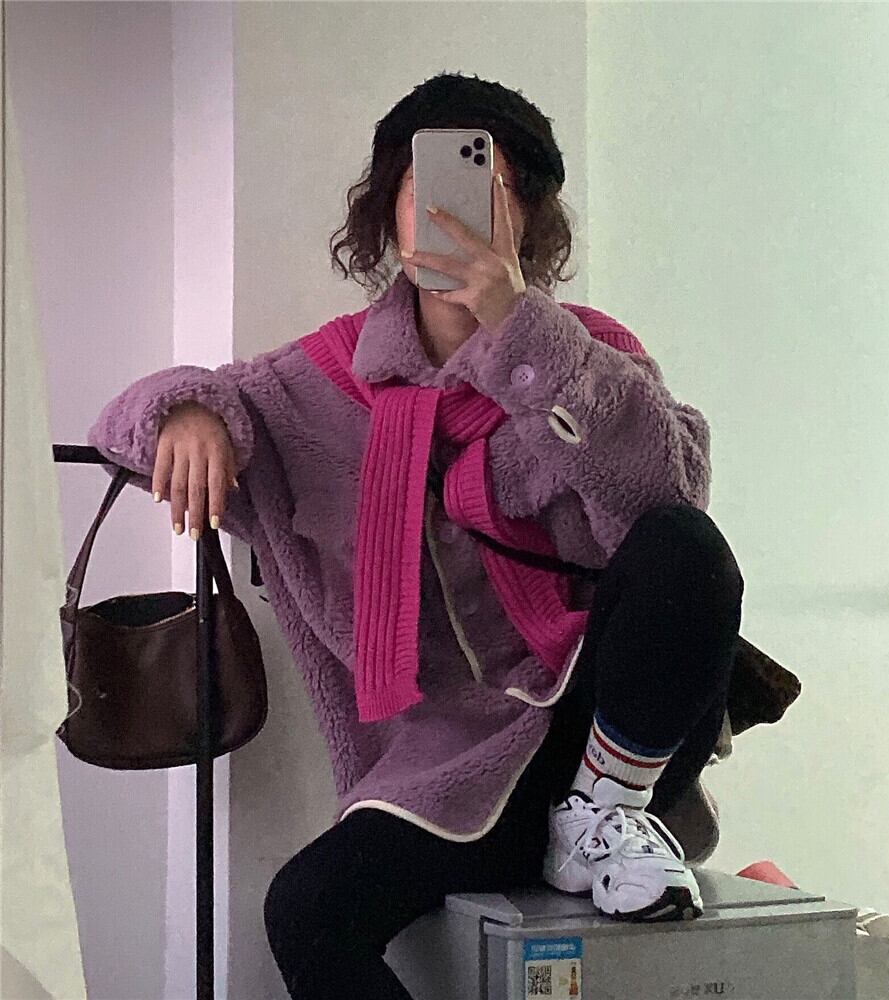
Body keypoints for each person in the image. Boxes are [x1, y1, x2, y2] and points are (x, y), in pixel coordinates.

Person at [87, 72, 743, 1000]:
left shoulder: (588, 355)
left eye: (489, 185)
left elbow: (669, 499)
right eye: (423, 183)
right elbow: (126, 420)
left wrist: (518, 325)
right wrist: (185, 409)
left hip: (609, 735)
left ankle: (602, 815)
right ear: (387, 210)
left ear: (529, 216)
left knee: (684, 544)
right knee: (307, 911)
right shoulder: (324, 381)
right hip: (452, 761)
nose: (451, 209)